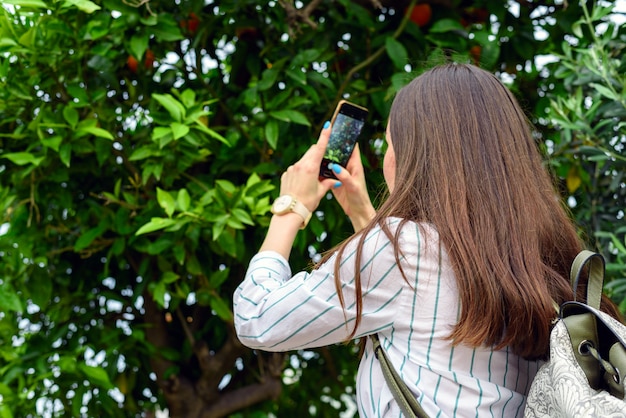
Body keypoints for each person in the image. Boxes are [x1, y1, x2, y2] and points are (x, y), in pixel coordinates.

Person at [233, 63, 622, 417]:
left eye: (390, 144)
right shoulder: (540, 256)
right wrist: (361, 214)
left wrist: (292, 208)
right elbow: (425, 307)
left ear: (417, 157)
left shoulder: (399, 251)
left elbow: (259, 320)